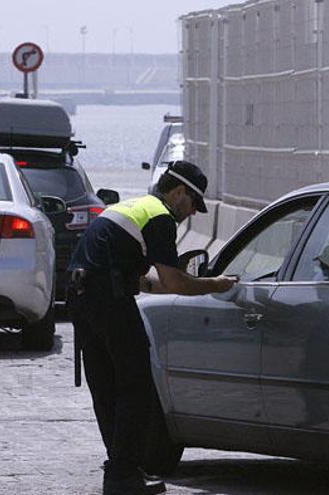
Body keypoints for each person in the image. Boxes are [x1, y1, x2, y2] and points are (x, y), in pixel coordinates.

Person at [66, 160, 236, 495]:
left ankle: (120, 469)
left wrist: (176, 282)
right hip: (108, 299)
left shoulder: (131, 207)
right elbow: (173, 281)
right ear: (178, 192)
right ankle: (123, 475)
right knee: (137, 385)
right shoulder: (159, 216)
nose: (192, 213)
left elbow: (144, 279)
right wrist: (214, 284)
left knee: (106, 386)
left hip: (81, 295)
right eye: (191, 204)